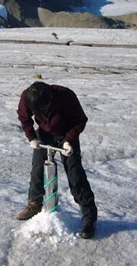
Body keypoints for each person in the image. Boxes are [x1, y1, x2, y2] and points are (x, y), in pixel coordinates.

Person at [16, 80, 98, 238]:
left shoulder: (66, 95)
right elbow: (24, 117)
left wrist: (69, 140)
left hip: (67, 133)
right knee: (38, 169)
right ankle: (34, 204)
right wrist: (32, 137)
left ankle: (89, 216)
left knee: (75, 173)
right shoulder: (27, 97)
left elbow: (80, 120)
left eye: (45, 107)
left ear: (51, 98)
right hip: (44, 135)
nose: (43, 110)